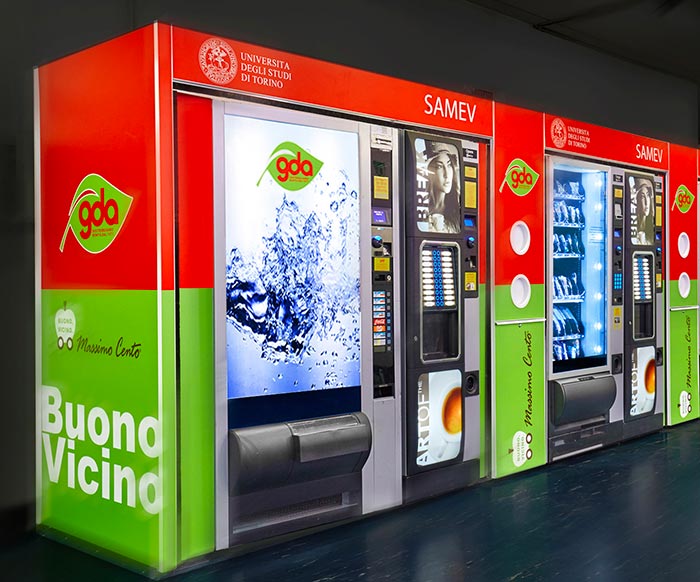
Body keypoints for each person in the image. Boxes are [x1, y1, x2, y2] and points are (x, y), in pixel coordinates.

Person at [425, 141, 461, 233]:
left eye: (449, 165)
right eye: (439, 167)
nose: (447, 174)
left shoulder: (458, 210)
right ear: (429, 172)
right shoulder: (420, 208)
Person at [632, 178, 653, 245]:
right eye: (642, 197)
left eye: (648, 195)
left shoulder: (652, 231)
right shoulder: (632, 229)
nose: (647, 202)